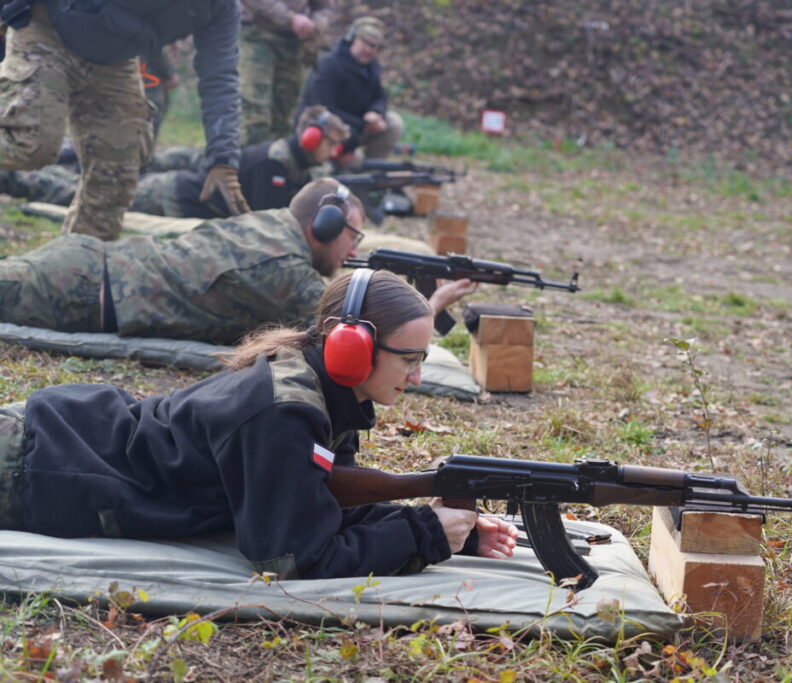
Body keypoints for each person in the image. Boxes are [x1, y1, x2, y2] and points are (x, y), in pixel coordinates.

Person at [0, 269, 519, 580]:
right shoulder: (285, 413)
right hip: (36, 467)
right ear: (351, 344)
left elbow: (316, 506)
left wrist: (456, 536)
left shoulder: (322, 392)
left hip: (63, 440)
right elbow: (294, 559)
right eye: (408, 359)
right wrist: (425, 534)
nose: (419, 376)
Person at [0, 177, 476, 345]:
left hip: (83, 270)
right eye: (351, 235)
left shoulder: (273, 224)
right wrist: (430, 306)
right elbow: (352, 324)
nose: (352, 250)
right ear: (324, 226)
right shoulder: (281, 269)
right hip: (74, 290)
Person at [0, 0, 249, 241]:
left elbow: (221, 77)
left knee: (117, 174)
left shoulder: (221, 7)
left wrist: (223, 162)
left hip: (115, 61)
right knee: (30, 144)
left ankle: (79, 268)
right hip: (48, 33)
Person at [0, 107, 350, 219]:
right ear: (311, 138)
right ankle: (11, 175)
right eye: (331, 144)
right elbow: (266, 219)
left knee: (92, 184)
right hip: (174, 196)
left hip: (182, 196)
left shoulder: (291, 161)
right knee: (83, 193)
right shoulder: (273, 165)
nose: (333, 153)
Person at [295, 16, 404, 168]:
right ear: (352, 38)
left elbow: (380, 96)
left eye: (375, 46)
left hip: (356, 127)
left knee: (393, 123)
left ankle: (372, 170)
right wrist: (362, 124)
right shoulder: (329, 65)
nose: (369, 50)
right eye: (365, 43)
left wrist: (375, 113)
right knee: (355, 159)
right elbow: (322, 109)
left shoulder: (371, 67)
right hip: (325, 128)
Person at [238, 0, 342, 146]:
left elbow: (325, 7)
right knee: (255, 114)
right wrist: (289, 18)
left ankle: (275, 164)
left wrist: (315, 25)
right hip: (257, 35)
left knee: (284, 116)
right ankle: (249, 162)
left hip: (295, 42)